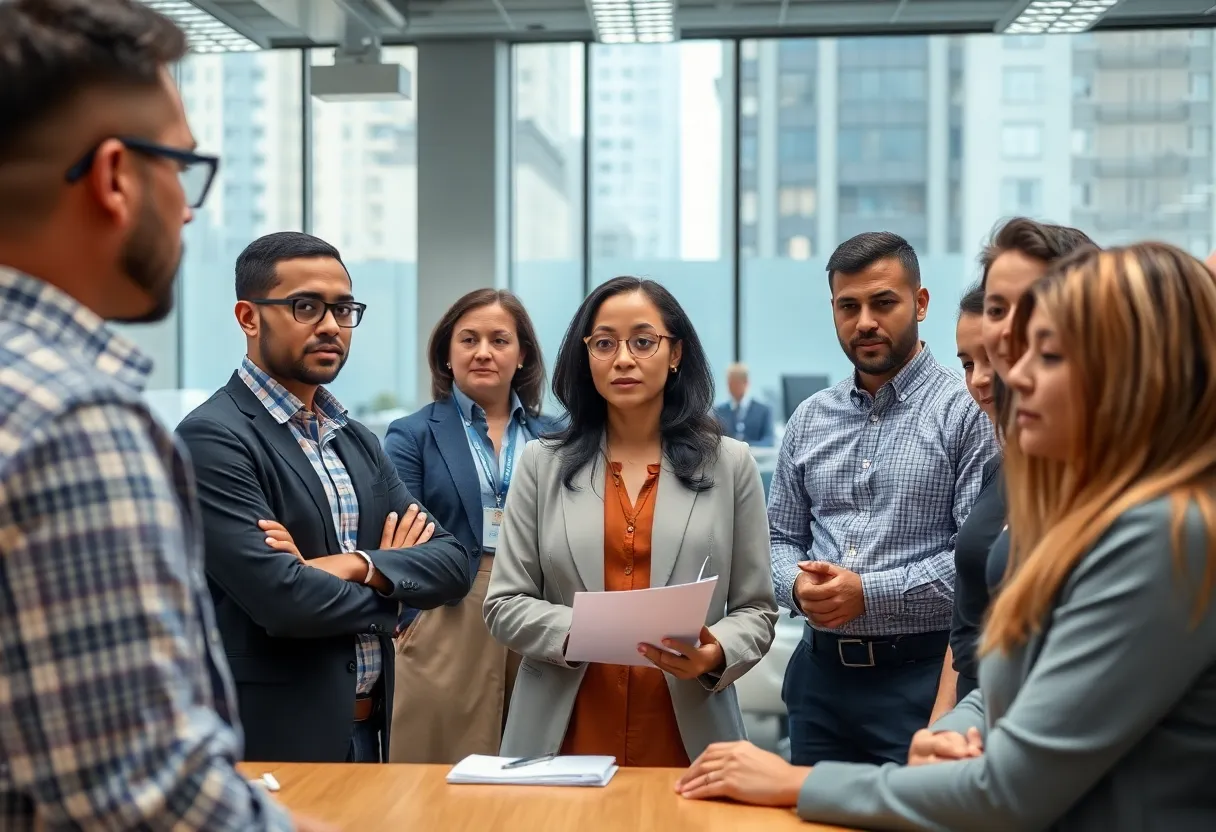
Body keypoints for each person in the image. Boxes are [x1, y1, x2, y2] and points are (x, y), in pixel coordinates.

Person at [677, 241, 1216, 831]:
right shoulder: (1088, 510)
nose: (1013, 378)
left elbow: (1013, 785)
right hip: (828, 674)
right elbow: (1020, 671)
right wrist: (962, 724)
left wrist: (792, 782)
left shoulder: (1163, 532)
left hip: (919, 677)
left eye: (1051, 354)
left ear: (1139, 372)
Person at [0, 1, 329, 828]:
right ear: (114, 177)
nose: (186, 208)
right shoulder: (73, 422)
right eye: (180, 168)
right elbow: (145, 797)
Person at [176, 232, 472, 763]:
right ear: (248, 317)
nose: (331, 325)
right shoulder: (212, 438)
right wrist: (395, 587)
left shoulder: (353, 438)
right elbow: (285, 603)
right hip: (273, 743)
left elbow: (452, 566)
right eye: (306, 306)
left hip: (370, 735)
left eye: (343, 308)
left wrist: (352, 565)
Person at [484, 276, 777, 765]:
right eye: (604, 343)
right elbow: (504, 604)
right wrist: (587, 629)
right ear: (586, 356)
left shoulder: (730, 464)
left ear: (676, 352)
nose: (623, 358)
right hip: (561, 730)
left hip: (686, 731)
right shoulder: (541, 463)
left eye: (643, 341)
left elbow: (756, 609)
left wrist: (715, 652)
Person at [769, 231, 997, 767]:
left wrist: (868, 593)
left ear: (920, 303)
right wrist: (799, 587)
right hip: (818, 683)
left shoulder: (965, 409)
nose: (865, 321)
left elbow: (975, 562)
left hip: (921, 684)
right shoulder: (810, 418)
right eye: (849, 306)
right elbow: (778, 539)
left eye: (883, 302)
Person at [930, 218, 1096, 722]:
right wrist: (944, 724)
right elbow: (979, 636)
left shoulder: (1129, 491)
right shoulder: (1014, 462)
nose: (1004, 334)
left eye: (1028, 306)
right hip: (983, 721)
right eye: (997, 310)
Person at [383, 288, 558, 764]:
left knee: (533, 766)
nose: (483, 351)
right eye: (468, 339)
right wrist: (411, 618)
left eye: (500, 340)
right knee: (437, 771)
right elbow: (401, 530)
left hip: (538, 604)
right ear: (447, 352)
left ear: (522, 355)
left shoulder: (559, 437)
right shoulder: (413, 434)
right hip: (448, 606)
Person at [714, 362, 774, 446]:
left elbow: (769, 440)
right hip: (729, 456)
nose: (732, 387)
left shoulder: (763, 410)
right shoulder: (719, 411)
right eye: (730, 383)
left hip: (756, 456)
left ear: (746, 383)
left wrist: (746, 448)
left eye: (736, 383)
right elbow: (715, 439)